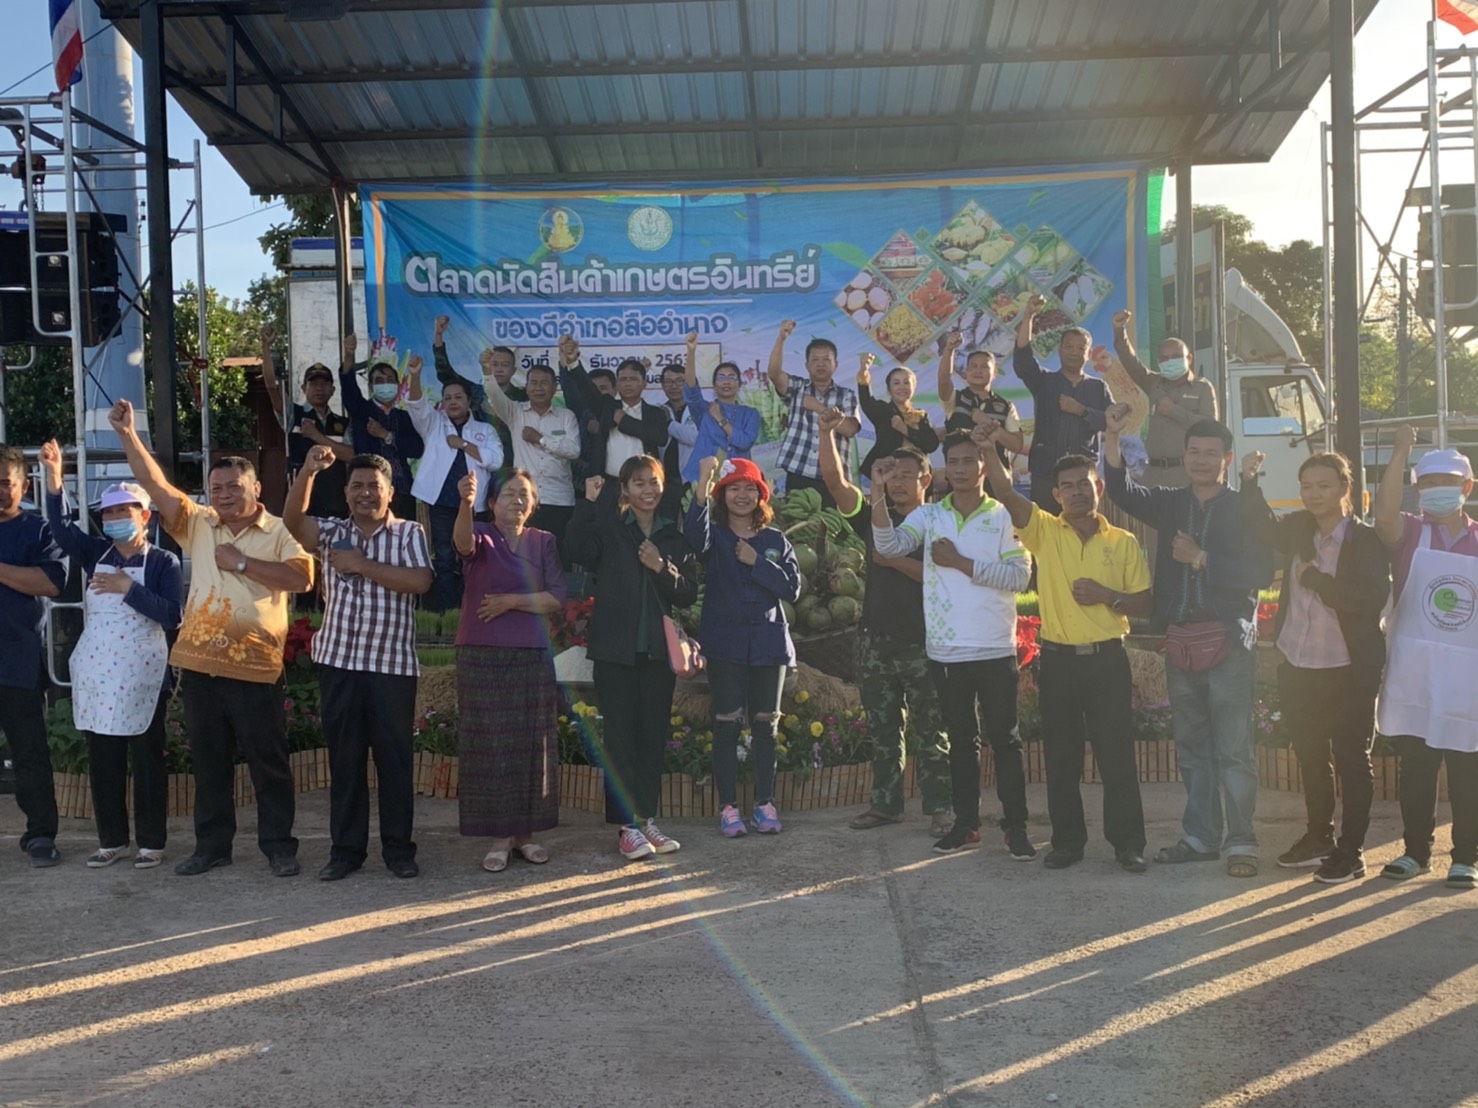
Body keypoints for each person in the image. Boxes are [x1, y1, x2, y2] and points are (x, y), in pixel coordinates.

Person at [110, 399, 315, 877]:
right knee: (209, 763)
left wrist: (242, 563)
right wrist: (128, 435)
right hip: (201, 666)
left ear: (256, 487)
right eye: (216, 487)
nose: (223, 494)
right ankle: (212, 847)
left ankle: (279, 848)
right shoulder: (199, 523)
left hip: (256, 669)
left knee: (268, 763)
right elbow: (156, 486)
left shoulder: (277, 532)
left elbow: (301, 578)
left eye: (233, 486)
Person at [1104, 410, 1273, 877]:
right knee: (1192, 748)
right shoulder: (1170, 503)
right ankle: (1201, 836)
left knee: (1234, 749)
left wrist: (1202, 559)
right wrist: (1112, 436)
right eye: (1194, 452)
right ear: (1183, 456)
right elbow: (1120, 490)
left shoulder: (1244, 506)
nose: (1201, 460)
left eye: (1211, 453)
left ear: (1227, 459)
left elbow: (1263, 571)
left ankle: (1241, 841)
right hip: (1180, 641)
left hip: (1228, 641)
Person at [978, 434, 1153, 873]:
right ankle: (1067, 842)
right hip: (1058, 662)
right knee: (1061, 759)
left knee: (1117, 758)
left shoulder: (1123, 541)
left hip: (1108, 661)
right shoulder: (1043, 531)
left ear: (1100, 487)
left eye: (1084, 484)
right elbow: (1004, 491)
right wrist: (988, 449)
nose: (1077, 492)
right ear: (1056, 495)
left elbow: (1145, 604)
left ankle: (1128, 844)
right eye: (1067, 486)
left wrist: (1107, 595)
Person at [872, 431, 1034, 858]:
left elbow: (1020, 577)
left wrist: (960, 563)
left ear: (984, 466)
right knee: (962, 743)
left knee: (1006, 741)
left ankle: (1016, 828)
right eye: (954, 461)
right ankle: (966, 826)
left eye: (969, 460)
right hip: (946, 650)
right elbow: (888, 545)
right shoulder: (930, 515)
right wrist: (876, 493)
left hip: (994, 648)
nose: (960, 469)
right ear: (945, 469)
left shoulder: (1004, 514)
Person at [1240, 449, 1389, 884]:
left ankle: (1352, 851)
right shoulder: (1299, 529)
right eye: (1307, 486)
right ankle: (1319, 836)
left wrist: (1317, 581)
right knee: (1310, 755)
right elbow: (1262, 525)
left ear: (1345, 488)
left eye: (1324, 485)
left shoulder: (1365, 541)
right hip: (1298, 663)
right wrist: (1249, 481)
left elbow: (1370, 600)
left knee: (1352, 759)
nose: (1314, 494)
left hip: (1347, 668)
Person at [284, 448, 432, 881]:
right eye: (357, 486)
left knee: (395, 762)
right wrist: (308, 472)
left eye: (374, 486)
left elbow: (420, 580)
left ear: (390, 492)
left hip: (392, 666)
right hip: (339, 663)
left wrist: (362, 565)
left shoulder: (409, 533)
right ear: (346, 493)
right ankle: (345, 852)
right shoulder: (332, 532)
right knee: (345, 761)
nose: (366, 493)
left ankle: (399, 851)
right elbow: (293, 522)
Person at [40, 443, 182, 870]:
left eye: (124, 511)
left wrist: (128, 589)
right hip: (100, 673)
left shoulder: (164, 562)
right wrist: (54, 480)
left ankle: (151, 842)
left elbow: (172, 615)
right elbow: (61, 529)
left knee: (147, 760)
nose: (116, 519)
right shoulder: (95, 554)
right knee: (104, 760)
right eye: (109, 513)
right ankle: (112, 840)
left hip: (144, 674)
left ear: (145, 516)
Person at [816, 417, 952, 834]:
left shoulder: (941, 521)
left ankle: (941, 808)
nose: (897, 481)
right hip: (875, 639)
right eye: (890, 473)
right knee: (882, 729)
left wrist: (894, 561)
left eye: (906, 474)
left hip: (924, 641)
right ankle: (885, 804)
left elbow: (944, 575)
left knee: (932, 730)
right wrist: (825, 434)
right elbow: (836, 483)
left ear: (926, 480)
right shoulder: (878, 516)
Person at [564, 455, 698, 859]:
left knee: (651, 738)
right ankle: (626, 827)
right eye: (638, 483)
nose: (648, 490)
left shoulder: (672, 535)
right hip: (615, 653)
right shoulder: (610, 529)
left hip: (658, 656)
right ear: (624, 489)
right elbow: (573, 548)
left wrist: (661, 567)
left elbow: (687, 592)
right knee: (620, 739)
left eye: (653, 482)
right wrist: (587, 504)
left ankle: (647, 819)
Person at [1373, 428, 1478, 890]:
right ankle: (1416, 852)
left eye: (1448, 482)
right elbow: (1382, 516)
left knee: (1468, 769)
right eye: (1428, 483)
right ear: (1417, 491)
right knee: (1416, 767)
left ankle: (1466, 857)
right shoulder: (1411, 532)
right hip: (1416, 672)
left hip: (1468, 676)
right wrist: (1400, 453)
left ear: (1466, 487)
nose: (1438, 490)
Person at [452, 468, 566, 872]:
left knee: (532, 744)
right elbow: (462, 544)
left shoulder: (543, 541)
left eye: (525, 494)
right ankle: (499, 836)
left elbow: (556, 597)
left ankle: (525, 835)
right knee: (491, 744)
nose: (518, 500)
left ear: (533, 503)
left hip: (531, 653)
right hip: (481, 654)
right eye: (509, 494)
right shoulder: (481, 535)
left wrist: (510, 602)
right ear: (492, 502)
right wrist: (464, 504)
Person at [686, 456, 801, 837]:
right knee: (727, 724)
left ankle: (765, 805)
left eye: (749, 488)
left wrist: (757, 563)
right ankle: (728, 808)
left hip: (769, 645)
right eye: (733, 488)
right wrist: (702, 484)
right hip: (726, 645)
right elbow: (693, 540)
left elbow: (792, 589)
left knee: (766, 725)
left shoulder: (775, 540)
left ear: (761, 494)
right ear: (722, 496)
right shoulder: (716, 538)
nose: (741, 495)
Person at [0, 443, 66, 867]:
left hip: (16, 661)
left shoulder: (39, 529)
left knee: (29, 756)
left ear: (24, 486)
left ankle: (40, 835)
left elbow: (51, 583)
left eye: (4, 482)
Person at [405, 352, 504, 612]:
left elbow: (496, 461)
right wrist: (415, 376)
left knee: (473, 557)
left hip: (474, 506)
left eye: (458, 397)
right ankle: (447, 612)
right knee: (445, 558)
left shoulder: (485, 430)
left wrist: (463, 444)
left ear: (469, 401)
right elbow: (416, 406)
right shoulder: (434, 424)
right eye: (447, 398)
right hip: (441, 504)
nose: (452, 402)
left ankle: (472, 610)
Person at [1014, 295, 1112, 512]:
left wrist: (1082, 411)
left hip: (1083, 478)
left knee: (1081, 526)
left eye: (1080, 348)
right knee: (1046, 528)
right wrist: (1028, 316)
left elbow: (1110, 421)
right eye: (1069, 347)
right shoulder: (1044, 381)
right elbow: (1023, 361)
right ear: (1060, 350)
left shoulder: (1098, 388)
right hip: (1046, 475)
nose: (1074, 352)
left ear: (1088, 353)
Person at [477, 357, 581, 559]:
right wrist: (487, 371)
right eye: (533, 383)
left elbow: (574, 450)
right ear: (526, 387)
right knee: (523, 556)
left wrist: (541, 439)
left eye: (544, 383)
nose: (538, 388)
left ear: (554, 388)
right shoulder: (515, 412)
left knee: (556, 557)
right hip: (524, 500)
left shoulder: (566, 416)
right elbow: (494, 395)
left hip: (559, 499)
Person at [1111, 309, 1218, 488]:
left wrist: (1175, 411)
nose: (1170, 361)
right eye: (1165, 358)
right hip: (1153, 474)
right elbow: (1130, 362)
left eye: (1176, 357)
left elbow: (1210, 428)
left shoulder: (1202, 388)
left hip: (1186, 474)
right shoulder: (1154, 383)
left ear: (1189, 358)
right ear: (1159, 362)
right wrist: (1119, 330)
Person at [559, 337, 671, 505]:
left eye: (633, 379)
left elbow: (659, 438)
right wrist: (573, 362)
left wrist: (625, 422)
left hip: (644, 487)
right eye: (623, 379)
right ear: (617, 385)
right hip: (608, 486)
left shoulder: (656, 413)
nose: (628, 384)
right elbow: (586, 387)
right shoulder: (607, 407)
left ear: (644, 383)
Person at [766, 320, 860, 508]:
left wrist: (819, 407)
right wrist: (781, 339)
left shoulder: (847, 395)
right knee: (799, 524)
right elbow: (774, 374)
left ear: (836, 365)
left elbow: (850, 429)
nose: (821, 364)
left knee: (833, 525)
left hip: (835, 479)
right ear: (807, 365)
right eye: (815, 360)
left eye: (826, 359)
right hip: (799, 473)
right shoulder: (797, 388)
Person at [261, 332, 354, 519]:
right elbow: (271, 386)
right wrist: (265, 347)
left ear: (332, 390)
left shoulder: (343, 423)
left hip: (337, 504)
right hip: (302, 506)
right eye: (313, 383)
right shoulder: (293, 415)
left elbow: (350, 455)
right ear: (304, 388)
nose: (319, 388)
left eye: (324, 384)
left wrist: (315, 436)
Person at [336, 330, 425, 521]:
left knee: (403, 535)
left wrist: (387, 436)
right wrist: (349, 355)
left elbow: (417, 448)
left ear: (398, 385)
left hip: (402, 490)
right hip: (370, 492)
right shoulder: (361, 411)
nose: (385, 385)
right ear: (370, 386)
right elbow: (349, 389)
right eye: (379, 381)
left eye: (389, 381)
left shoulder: (403, 417)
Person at [936, 331, 1024, 483]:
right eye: (973, 366)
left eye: (984, 367)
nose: (978, 370)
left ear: (995, 372)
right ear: (966, 371)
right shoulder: (955, 399)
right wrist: (949, 350)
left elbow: (1017, 445)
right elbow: (944, 380)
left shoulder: (1005, 406)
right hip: (961, 478)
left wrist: (987, 422)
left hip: (996, 480)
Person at [433, 315, 520, 466]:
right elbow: (446, 374)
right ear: (486, 365)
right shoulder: (477, 393)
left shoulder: (523, 396)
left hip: (517, 464)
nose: (499, 369)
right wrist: (438, 336)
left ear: (514, 370)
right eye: (494, 364)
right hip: (483, 462)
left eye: (505, 365)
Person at [680, 331, 759, 483]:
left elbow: (744, 442)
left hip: (736, 480)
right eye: (721, 378)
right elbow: (691, 390)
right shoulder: (704, 409)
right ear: (714, 384)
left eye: (731, 377)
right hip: (702, 480)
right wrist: (691, 352)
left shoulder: (750, 414)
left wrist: (720, 419)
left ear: (739, 384)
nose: (726, 382)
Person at [854, 353, 939, 478]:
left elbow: (931, 445)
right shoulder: (883, 410)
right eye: (896, 383)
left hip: (916, 476)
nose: (902, 387)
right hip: (887, 475)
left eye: (906, 382)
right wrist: (863, 372)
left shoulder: (921, 416)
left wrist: (906, 430)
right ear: (889, 389)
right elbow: (866, 401)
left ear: (914, 387)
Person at [659, 362, 698, 519]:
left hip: (692, 481)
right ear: (662, 386)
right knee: (666, 526)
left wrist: (669, 423)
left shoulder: (699, 410)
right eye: (668, 382)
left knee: (694, 525)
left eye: (679, 381)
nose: (673, 386)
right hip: (665, 482)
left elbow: (695, 438)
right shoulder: (658, 410)